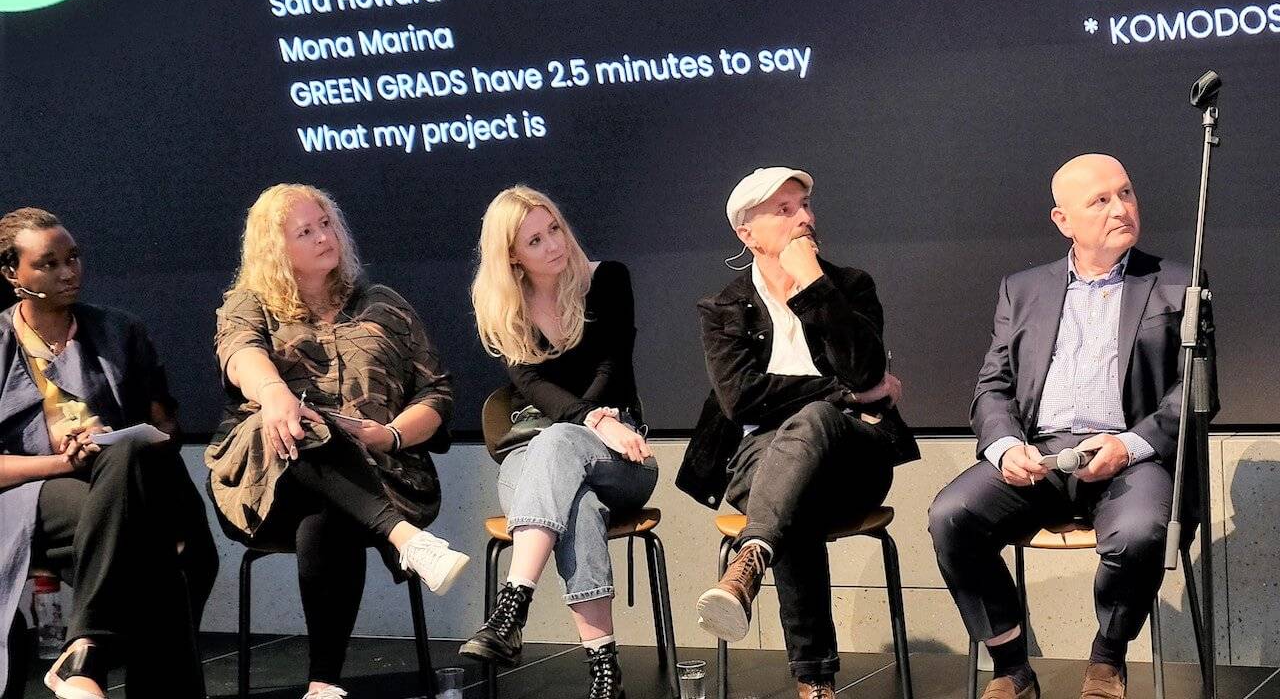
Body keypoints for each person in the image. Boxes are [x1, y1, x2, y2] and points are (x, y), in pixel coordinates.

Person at [929, 154, 1194, 699]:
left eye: (1125, 193)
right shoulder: (1022, 289)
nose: (1120, 208)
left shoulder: (1177, 282)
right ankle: (1010, 665)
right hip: (1040, 455)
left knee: (1142, 531)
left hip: (1127, 453)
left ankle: (1107, 657)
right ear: (1062, 220)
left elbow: (1190, 394)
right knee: (951, 516)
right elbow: (992, 386)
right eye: (1100, 200)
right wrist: (1004, 448)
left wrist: (1129, 444)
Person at [205, 184, 468, 699]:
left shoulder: (384, 305)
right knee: (298, 423)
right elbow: (240, 355)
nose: (324, 236)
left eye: (326, 224)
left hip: (383, 474)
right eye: (306, 231)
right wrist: (278, 396)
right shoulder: (248, 304)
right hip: (268, 480)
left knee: (327, 517)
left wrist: (389, 434)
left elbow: (436, 391)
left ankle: (323, 685)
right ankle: (407, 541)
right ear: (275, 249)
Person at [678, 167, 915, 699]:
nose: (804, 218)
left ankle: (753, 564)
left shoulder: (850, 286)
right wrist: (843, 393)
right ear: (747, 233)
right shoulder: (722, 310)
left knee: (814, 427)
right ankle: (813, 680)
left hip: (854, 457)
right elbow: (741, 398)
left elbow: (864, 369)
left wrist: (813, 286)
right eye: (784, 211)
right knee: (794, 491)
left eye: (805, 205)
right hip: (757, 459)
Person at [0, 208, 216, 699]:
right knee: (156, 557)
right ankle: (91, 651)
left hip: (123, 481)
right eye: (48, 263)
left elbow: (163, 425)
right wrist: (63, 461)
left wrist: (127, 433)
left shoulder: (119, 331)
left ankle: (86, 650)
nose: (68, 271)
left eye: (73, 258)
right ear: (12, 273)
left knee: (125, 467)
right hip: (29, 493)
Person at [461, 186, 656, 699]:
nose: (553, 245)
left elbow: (613, 365)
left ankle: (512, 605)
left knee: (559, 444)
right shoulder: (505, 308)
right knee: (578, 505)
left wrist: (590, 422)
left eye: (554, 229)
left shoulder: (607, 279)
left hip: (621, 452)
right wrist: (587, 419)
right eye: (535, 240)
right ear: (512, 258)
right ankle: (604, 674)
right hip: (536, 454)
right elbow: (532, 388)